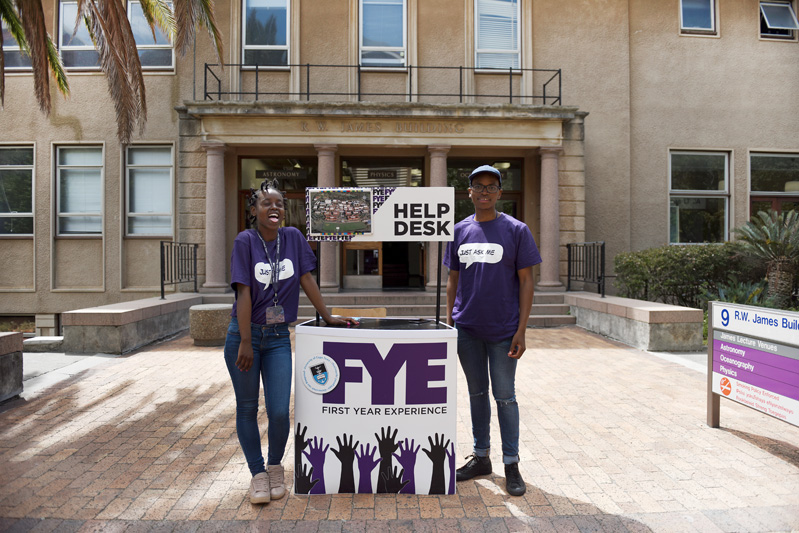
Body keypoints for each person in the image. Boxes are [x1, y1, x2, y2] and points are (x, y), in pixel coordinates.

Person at [225, 179, 356, 504]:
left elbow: (306, 279)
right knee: (247, 407)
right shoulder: (245, 241)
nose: (274, 208)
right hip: (245, 335)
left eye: (279, 203)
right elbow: (243, 291)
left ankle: (274, 468)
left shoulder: (294, 238)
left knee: (280, 411)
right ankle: (257, 475)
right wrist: (244, 341)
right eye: (266, 203)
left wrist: (327, 315)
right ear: (254, 210)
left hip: (279, 337)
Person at [444, 164, 541, 497]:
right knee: (475, 394)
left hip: (503, 330)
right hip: (467, 328)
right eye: (478, 186)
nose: (484, 192)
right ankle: (481, 457)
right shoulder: (458, 231)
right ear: (469, 192)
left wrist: (522, 330)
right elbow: (453, 279)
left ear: (499, 192)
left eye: (491, 186)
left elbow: (527, 281)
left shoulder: (516, 230)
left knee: (505, 397)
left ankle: (511, 463)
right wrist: (449, 320)